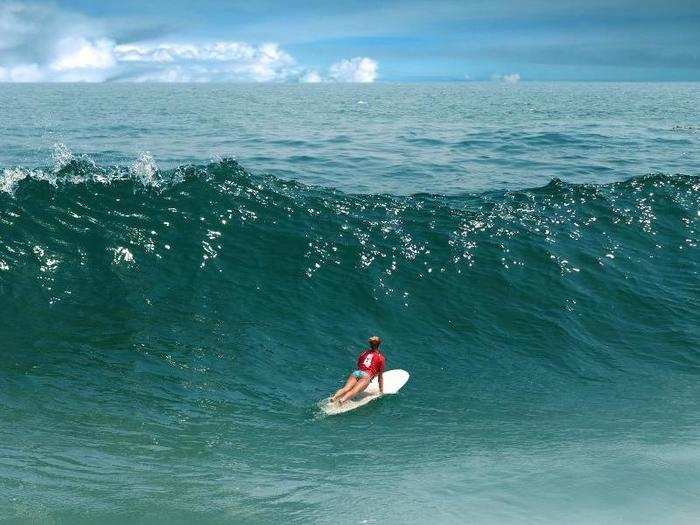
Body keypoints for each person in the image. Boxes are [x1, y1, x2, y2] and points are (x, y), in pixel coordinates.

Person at [330, 336, 385, 404]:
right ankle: (342, 400)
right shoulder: (381, 357)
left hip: (357, 373)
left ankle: (334, 397)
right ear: (379, 345)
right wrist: (381, 391)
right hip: (366, 375)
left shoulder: (364, 353)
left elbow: (359, 364)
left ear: (370, 344)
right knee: (354, 391)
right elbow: (380, 377)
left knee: (346, 388)